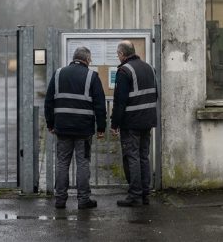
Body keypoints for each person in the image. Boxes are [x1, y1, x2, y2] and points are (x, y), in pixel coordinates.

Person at [45, 46, 106, 210]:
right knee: (83, 163)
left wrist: (50, 124)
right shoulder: (92, 76)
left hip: (62, 128)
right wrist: (101, 127)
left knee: (62, 163)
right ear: (86, 59)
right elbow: (100, 105)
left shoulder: (58, 74)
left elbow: (49, 102)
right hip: (83, 130)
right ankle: (83, 200)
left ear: (74, 58)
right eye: (90, 59)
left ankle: (60, 200)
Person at [111, 40, 158, 207]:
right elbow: (156, 94)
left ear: (122, 54)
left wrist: (114, 124)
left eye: (118, 55)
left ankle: (135, 195)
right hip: (148, 120)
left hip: (131, 122)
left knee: (132, 157)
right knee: (143, 156)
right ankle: (145, 194)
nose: (118, 58)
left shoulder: (124, 70)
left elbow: (120, 101)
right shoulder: (150, 68)